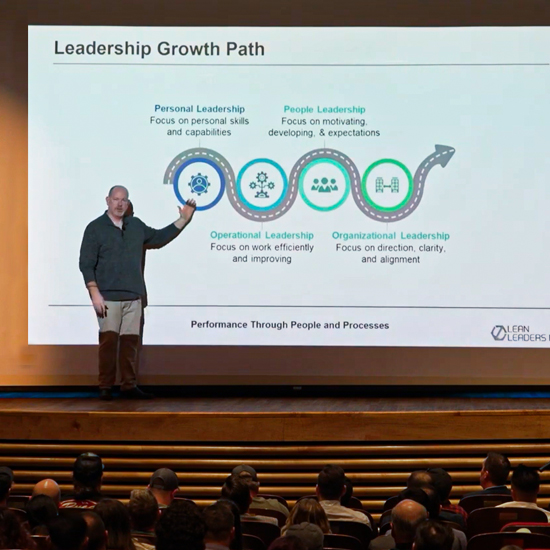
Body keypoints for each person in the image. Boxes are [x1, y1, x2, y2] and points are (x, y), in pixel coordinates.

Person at [79, 185, 196, 400]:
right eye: (116, 199)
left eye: (124, 199)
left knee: (130, 344)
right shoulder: (95, 228)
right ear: (107, 200)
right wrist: (94, 293)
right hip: (108, 297)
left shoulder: (136, 226)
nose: (120, 203)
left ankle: (128, 386)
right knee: (108, 343)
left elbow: (159, 238)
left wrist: (183, 220)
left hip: (134, 296)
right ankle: (105, 387)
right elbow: (86, 264)